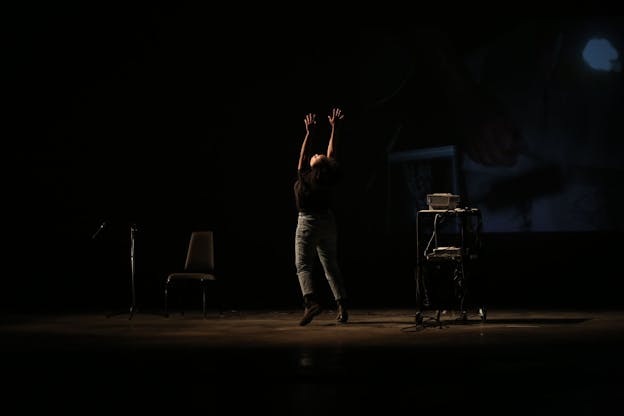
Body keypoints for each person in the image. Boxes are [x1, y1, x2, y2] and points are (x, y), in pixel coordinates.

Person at [294, 107, 348, 326]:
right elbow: (331, 155)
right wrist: (334, 128)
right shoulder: (327, 178)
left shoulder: (306, 178)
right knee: (331, 266)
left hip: (307, 223)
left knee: (303, 265)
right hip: (327, 222)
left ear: (314, 166)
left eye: (318, 156)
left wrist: (309, 133)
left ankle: (310, 302)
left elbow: (303, 156)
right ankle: (342, 305)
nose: (317, 154)